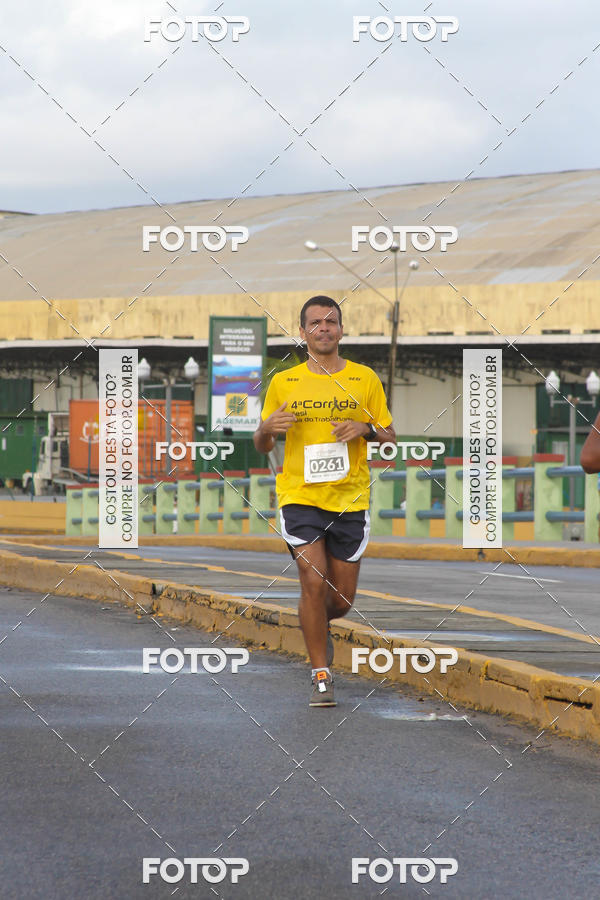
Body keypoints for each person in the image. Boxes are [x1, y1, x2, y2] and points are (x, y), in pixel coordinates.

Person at [253, 295, 395, 707]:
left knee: (341, 600)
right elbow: (263, 445)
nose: (324, 328)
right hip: (300, 496)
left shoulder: (364, 378)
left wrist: (365, 428)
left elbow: (390, 437)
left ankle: (315, 622)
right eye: (315, 323)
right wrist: (266, 428)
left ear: (342, 330)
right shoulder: (285, 382)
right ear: (303, 332)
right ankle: (321, 674)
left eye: (331, 322)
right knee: (312, 582)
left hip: (350, 497)